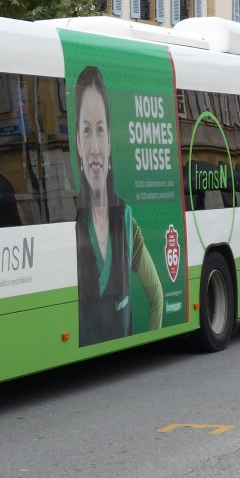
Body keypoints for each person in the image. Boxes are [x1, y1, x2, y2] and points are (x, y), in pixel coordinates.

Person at [73, 65, 163, 346]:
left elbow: (157, 298)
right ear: (77, 142)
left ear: (110, 141)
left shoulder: (126, 222)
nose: (95, 147)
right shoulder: (70, 225)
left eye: (100, 129)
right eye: (86, 131)